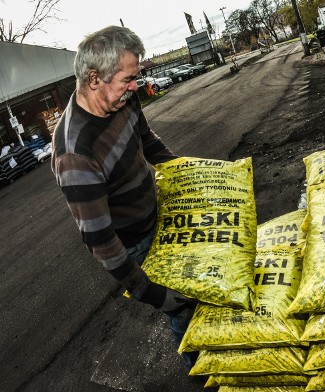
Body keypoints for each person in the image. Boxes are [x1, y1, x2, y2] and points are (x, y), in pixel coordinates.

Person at [50, 26, 197, 368]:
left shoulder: (123, 100)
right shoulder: (75, 153)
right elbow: (100, 239)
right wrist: (152, 293)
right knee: (183, 306)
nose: (136, 87)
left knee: (200, 282)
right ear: (94, 79)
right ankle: (201, 369)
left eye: (136, 77)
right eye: (128, 79)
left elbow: (148, 141)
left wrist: (190, 174)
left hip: (160, 214)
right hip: (134, 243)